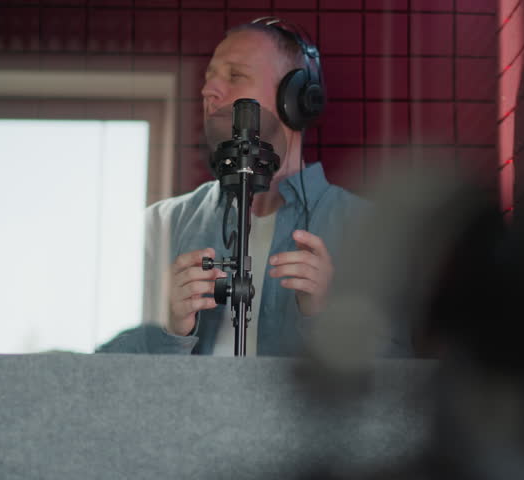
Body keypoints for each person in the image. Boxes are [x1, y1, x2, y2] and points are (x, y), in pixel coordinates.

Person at [97, 18, 373, 356]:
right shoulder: (161, 225)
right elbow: (107, 381)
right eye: (209, 78)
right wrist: (169, 331)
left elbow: (399, 390)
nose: (208, 91)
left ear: (296, 99)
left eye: (235, 76)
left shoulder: (367, 230)